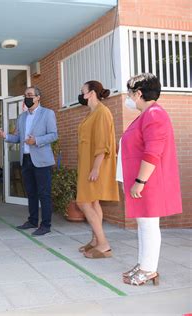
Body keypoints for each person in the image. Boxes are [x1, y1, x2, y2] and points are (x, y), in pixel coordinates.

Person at [119, 73, 182, 285]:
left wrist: (140, 181)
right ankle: (143, 263)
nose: (128, 97)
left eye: (129, 92)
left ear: (138, 93)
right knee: (143, 224)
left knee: (148, 225)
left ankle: (149, 269)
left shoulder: (154, 115)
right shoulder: (146, 115)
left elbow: (153, 152)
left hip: (149, 182)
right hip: (143, 180)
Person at [0, 86, 58, 236]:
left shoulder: (47, 113)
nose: (27, 98)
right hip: (26, 160)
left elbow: (53, 135)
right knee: (30, 193)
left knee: (44, 193)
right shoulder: (22, 117)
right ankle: (32, 220)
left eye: (30, 95)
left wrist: (36, 140)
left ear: (38, 98)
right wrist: (6, 136)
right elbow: (18, 138)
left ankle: (46, 224)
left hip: (41, 160)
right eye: (25, 95)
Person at [76, 81, 119, 259]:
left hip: (95, 165)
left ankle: (103, 244)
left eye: (82, 92)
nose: (81, 95)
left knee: (83, 202)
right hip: (87, 164)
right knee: (93, 202)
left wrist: (95, 168)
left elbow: (102, 143)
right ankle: (95, 240)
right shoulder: (91, 113)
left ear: (91, 93)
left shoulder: (102, 112)